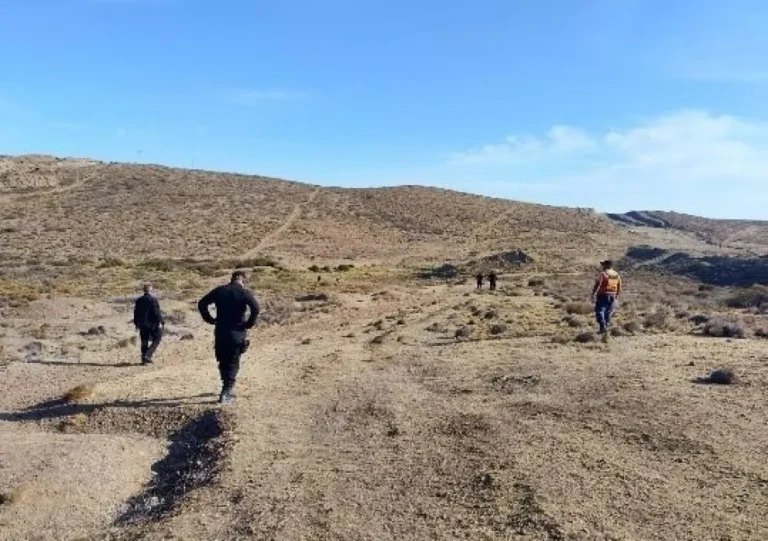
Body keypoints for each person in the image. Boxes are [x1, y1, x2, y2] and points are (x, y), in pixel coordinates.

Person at [197, 271, 260, 404]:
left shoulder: (220, 290)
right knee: (233, 361)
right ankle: (226, 392)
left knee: (223, 360)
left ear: (232, 279)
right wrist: (249, 324)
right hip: (236, 332)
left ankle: (226, 386)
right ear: (243, 280)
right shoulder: (244, 292)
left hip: (220, 331)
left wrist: (209, 319)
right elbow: (255, 308)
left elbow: (202, 303)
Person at [133, 284, 164, 365]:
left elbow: (136, 313)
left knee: (144, 341)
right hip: (152, 324)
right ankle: (147, 355)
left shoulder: (139, 300)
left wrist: (136, 323)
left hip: (142, 324)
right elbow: (156, 312)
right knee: (157, 338)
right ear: (151, 290)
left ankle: (144, 360)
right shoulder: (153, 300)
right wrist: (160, 321)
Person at [591, 260, 622, 340]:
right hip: (612, 295)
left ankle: (603, 326)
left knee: (600, 310)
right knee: (608, 311)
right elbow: (619, 285)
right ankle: (606, 327)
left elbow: (597, 283)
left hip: (603, 295)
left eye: (603, 265)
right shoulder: (616, 274)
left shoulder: (603, 273)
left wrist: (593, 293)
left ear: (607, 265)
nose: (602, 266)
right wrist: (617, 295)